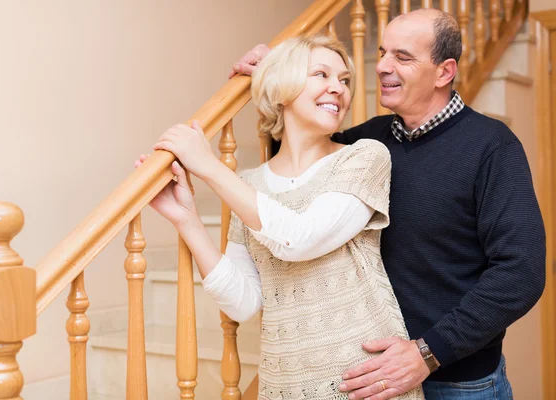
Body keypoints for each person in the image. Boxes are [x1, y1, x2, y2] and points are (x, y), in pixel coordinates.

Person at [230, 8, 546, 400]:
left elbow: (521, 274)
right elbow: (296, 161)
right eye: (381, 52)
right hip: (374, 380)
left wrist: (426, 353)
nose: (381, 66)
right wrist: (275, 73)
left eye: (402, 56)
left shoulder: (492, 146)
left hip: (460, 383)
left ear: (444, 72)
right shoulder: (365, 144)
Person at [136, 35, 424, 399]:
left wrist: (207, 166)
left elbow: (299, 238)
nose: (338, 88)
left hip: (367, 381)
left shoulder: (365, 158)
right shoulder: (249, 185)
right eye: (321, 74)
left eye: (345, 80)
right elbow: (243, 303)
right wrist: (187, 220)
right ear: (282, 88)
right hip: (284, 386)